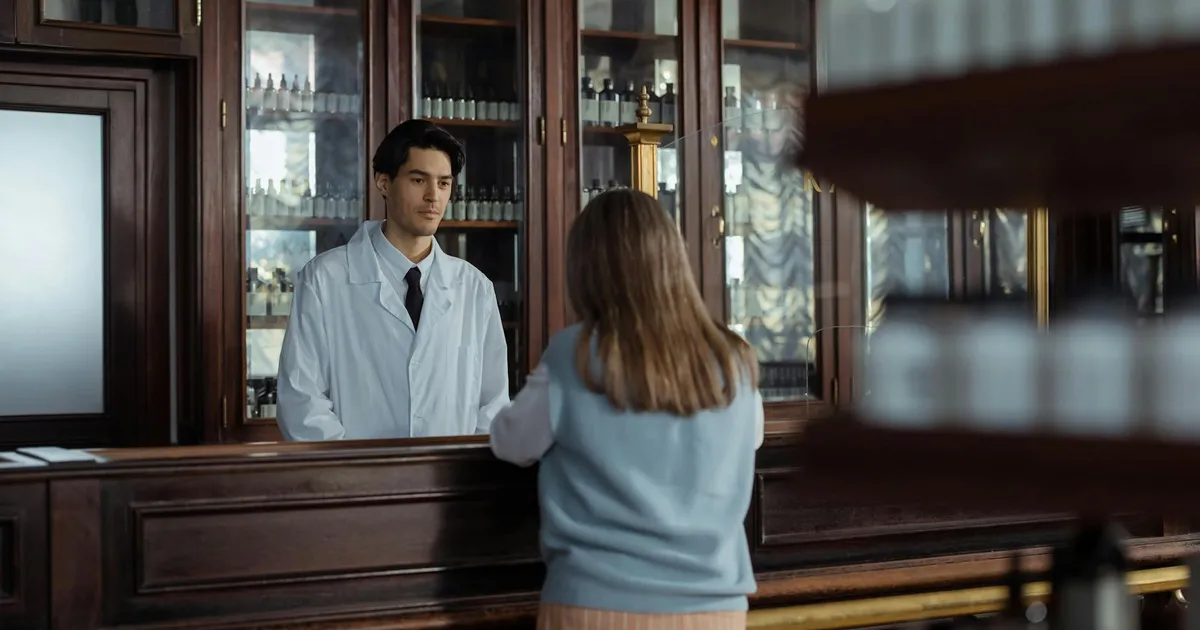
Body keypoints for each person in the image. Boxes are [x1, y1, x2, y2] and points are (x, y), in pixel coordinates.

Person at [490, 189, 765, 630]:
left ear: (586, 269)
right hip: (715, 609)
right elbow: (750, 440)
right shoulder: (735, 359)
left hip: (596, 603)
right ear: (674, 258)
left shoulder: (571, 354)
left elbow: (508, 443)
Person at [277, 120, 509, 441]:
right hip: (357, 484)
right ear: (383, 182)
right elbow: (301, 402)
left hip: (452, 482)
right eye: (418, 180)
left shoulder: (474, 287)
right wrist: (361, 479)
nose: (433, 197)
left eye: (444, 184)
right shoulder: (324, 279)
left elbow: (493, 405)